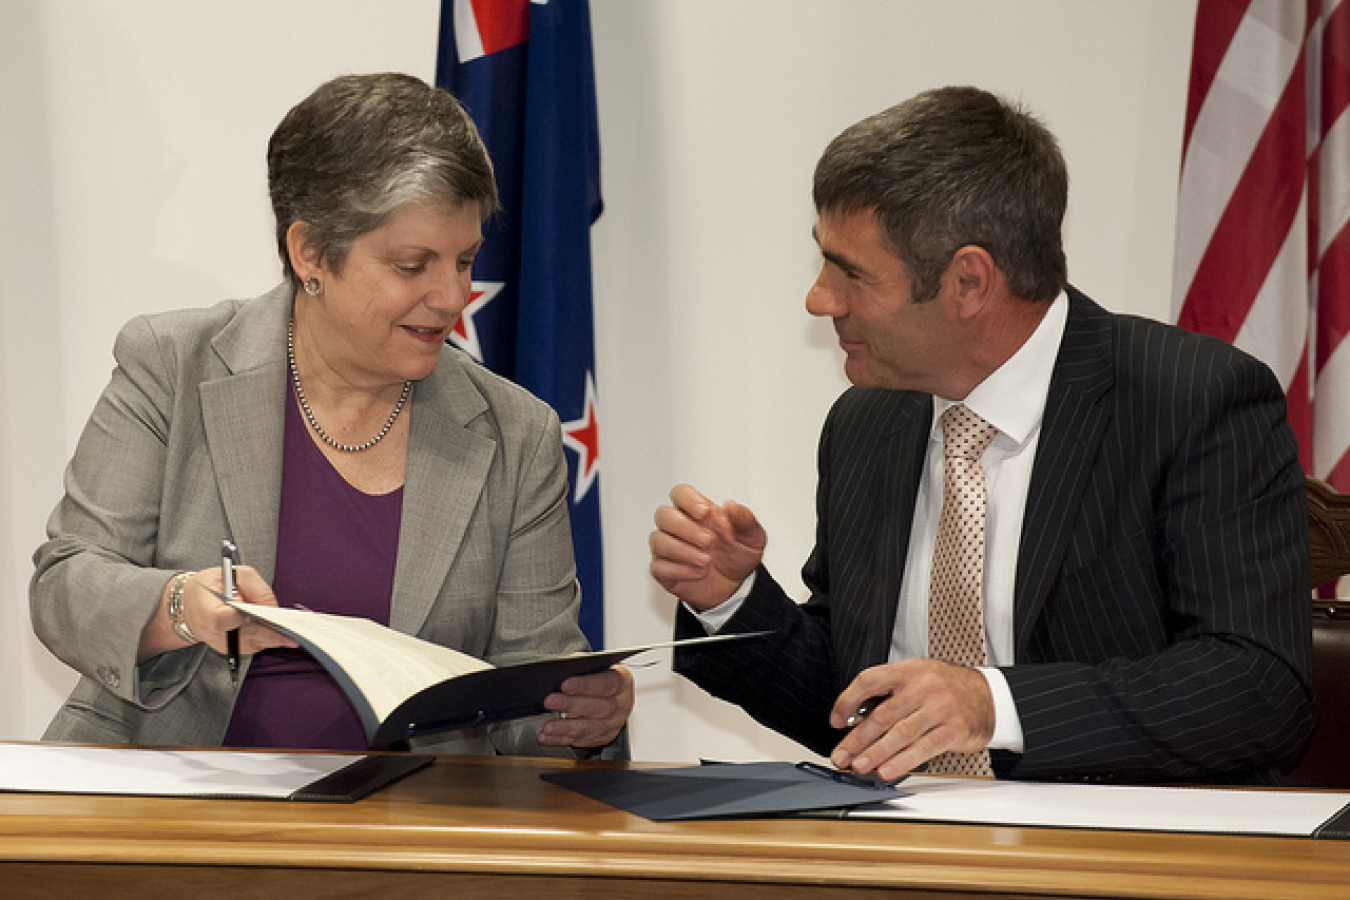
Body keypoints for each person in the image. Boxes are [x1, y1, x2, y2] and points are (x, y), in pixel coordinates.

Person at [650, 86, 1313, 785]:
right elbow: (853, 706)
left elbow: (1258, 689)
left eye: (850, 273)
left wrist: (994, 704)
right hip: (907, 861)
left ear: (968, 281)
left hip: (1112, 866)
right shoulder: (868, 421)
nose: (819, 299)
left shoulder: (1190, 400)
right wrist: (729, 598)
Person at [31, 72, 632, 757]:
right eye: (412, 266)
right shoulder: (172, 364)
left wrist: (583, 720)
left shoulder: (516, 434)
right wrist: (180, 607)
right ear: (310, 253)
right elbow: (66, 585)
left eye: (465, 260)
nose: (453, 295)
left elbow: (530, 704)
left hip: (404, 831)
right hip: (166, 804)